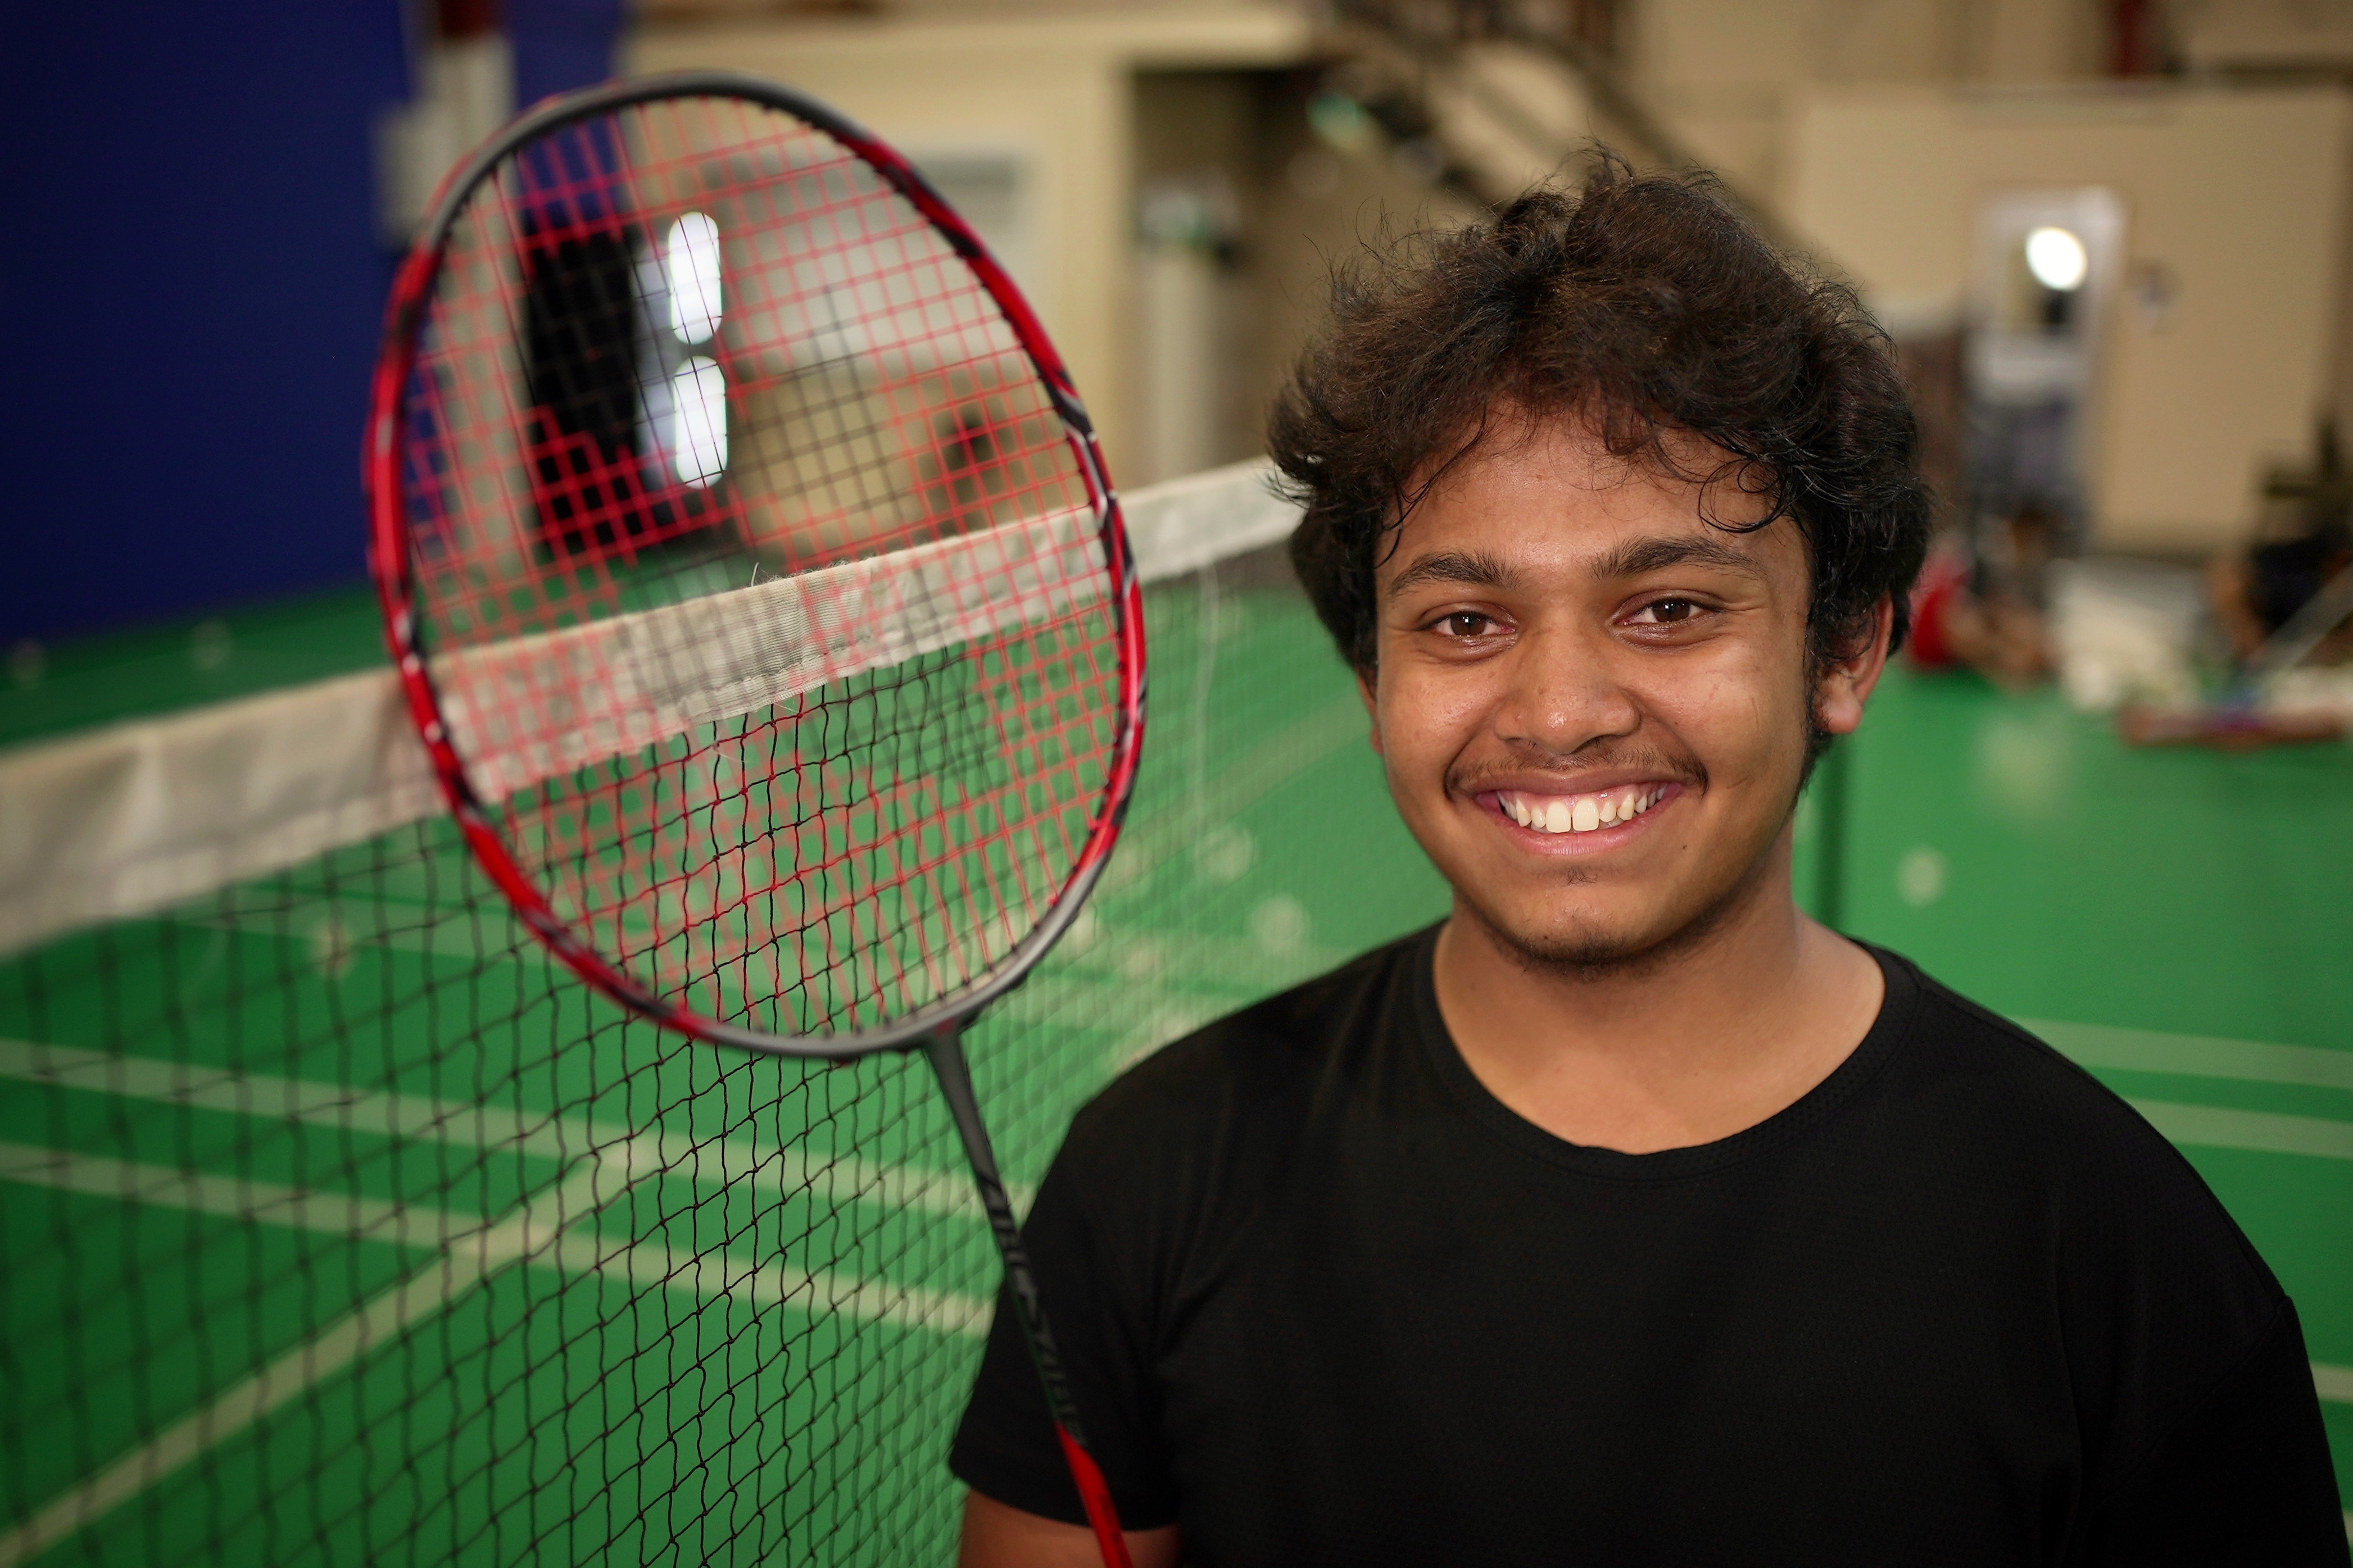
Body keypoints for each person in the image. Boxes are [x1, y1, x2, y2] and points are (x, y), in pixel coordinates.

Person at [949, 161, 2348, 1566]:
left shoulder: (2124, 1271)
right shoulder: (1151, 1182)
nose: (1560, 713)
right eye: (1464, 623)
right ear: (1373, 675)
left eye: (1669, 607)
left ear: (1847, 647)